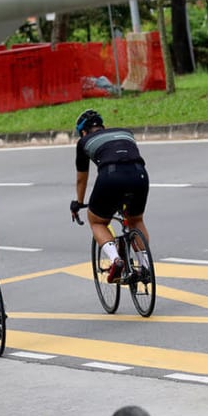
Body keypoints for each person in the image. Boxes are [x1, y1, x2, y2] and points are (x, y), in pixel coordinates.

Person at [70, 109, 150, 284]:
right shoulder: (125, 132)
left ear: (83, 132)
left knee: (97, 221)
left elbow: (81, 178)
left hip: (111, 177)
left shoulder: (83, 141)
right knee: (136, 220)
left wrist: (79, 202)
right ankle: (145, 266)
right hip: (140, 174)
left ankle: (116, 260)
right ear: (103, 127)